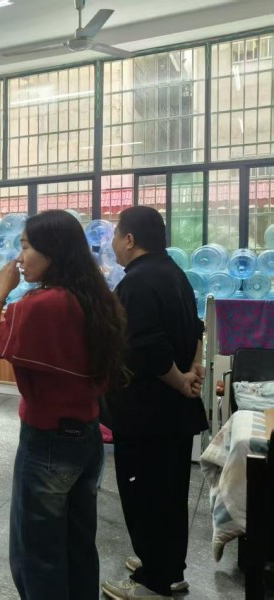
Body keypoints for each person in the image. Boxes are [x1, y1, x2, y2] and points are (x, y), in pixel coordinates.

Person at [0, 209, 127, 599]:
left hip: (48, 442)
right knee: (78, 548)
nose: (20, 258)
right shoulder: (96, 298)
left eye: (26, 246)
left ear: (52, 251)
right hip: (88, 437)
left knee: (37, 556)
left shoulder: (40, 305)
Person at [101, 206, 208, 600]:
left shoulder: (138, 282)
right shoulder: (174, 273)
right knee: (170, 494)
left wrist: (180, 381)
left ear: (130, 239)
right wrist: (193, 371)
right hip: (172, 415)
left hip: (148, 414)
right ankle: (167, 567)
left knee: (145, 496)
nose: (113, 244)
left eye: (116, 235)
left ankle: (153, 583)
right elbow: (197, 328)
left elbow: (146, 345)